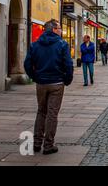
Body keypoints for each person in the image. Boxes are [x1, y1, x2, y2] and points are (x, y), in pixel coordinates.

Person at [24, 19, 73, 155]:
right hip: (56, 83)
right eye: (59, 29)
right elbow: (68, 65)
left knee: (41, 112)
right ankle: (48, 145)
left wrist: (35, 76)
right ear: (53, 29)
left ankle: (37, 143)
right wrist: (67, 80)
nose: (61, 31)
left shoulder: (35, 45)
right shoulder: (62, 44)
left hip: (41, 83)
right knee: (52, 114)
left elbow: (27, 64)